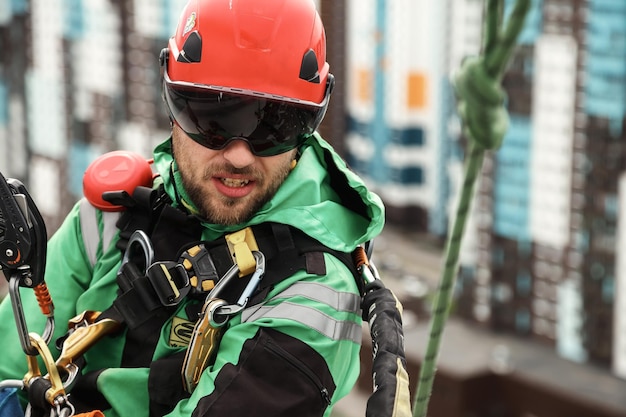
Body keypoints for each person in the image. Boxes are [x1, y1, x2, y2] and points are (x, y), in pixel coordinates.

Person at [0, 0, 385, 416]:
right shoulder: (114, 216)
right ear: (172, 105)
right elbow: (7, 362)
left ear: (306, 129)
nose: (239, 157)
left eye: (274, 126)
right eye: (212, 120)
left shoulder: (314, 294)